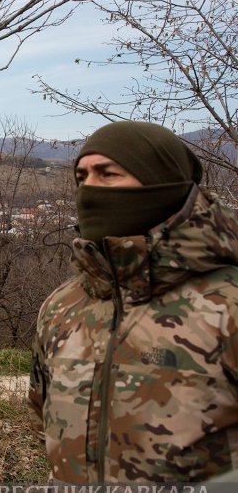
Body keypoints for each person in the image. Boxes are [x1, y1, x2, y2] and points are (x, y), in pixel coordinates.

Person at [29, 121, 238, 483]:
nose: (89, 189)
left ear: (162, 185)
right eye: (81, 176)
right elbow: (42, 418)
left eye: (107, 174)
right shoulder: (63, 305)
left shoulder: (228, 304)